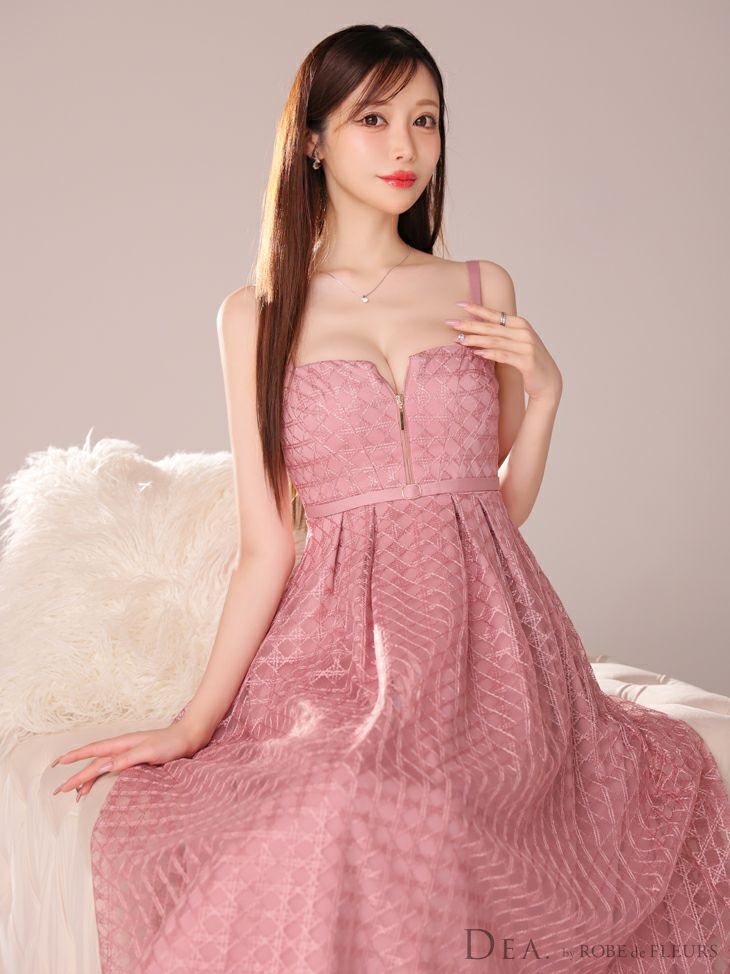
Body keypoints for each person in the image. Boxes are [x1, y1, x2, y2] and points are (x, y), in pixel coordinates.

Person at [50, 24, 730, 974]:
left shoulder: (480, 284)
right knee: (344, 795)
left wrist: (546, 399)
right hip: (340, 645)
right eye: (372, 119)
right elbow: (266, 544)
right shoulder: (256, 315)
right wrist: (193, 723)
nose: (406, 146)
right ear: (313, 139)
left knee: (438, 803)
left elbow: (494, 510)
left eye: (426, 119)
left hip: (495, 637)